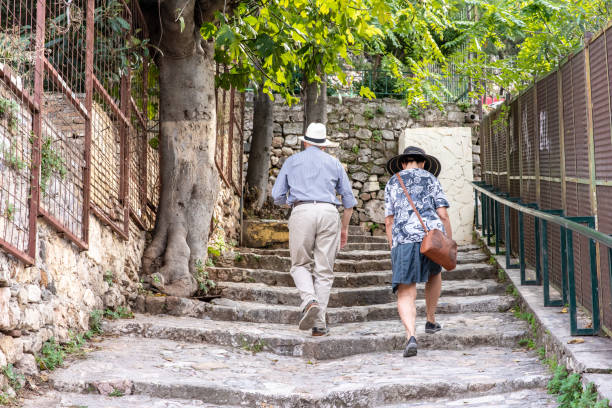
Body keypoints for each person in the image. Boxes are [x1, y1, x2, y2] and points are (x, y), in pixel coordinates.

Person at [271, 122, 357, 336]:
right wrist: (344, 229)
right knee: (324, 270)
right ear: (324, 146)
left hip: (302, 210)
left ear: (305, 142)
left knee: (300, 264)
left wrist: (293, 201)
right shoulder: (335, 163)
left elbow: (277, 196)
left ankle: (309, 300)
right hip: (329, 213)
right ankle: (319, 325)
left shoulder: (292, 161)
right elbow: (348, 201)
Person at [384, 146, 452, 357]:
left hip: (404, 237)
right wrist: (448, 241)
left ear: (404, 163)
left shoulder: (393, 181)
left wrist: (392, 245)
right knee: (434, 274)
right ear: (423, 163)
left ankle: (411, 336)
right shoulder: (431, 179)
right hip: (431, 236)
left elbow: (389, 220)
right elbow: (443, 214)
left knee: (406, 289)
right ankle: (430, 320)